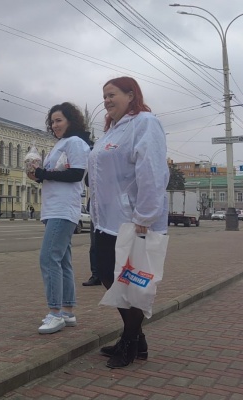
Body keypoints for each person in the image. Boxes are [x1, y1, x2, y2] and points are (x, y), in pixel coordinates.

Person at [87, 77, 169, 368]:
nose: (106, 101)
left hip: (133, 220)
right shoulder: (111, 131)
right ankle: (136, 338)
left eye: (112, 95)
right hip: (106, 220)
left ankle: (130, 342)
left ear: (131, 95)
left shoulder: (145, 123)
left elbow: (152, 171)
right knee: (108, 277)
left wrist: (145, 215)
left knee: (133, 283)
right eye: (104, 96)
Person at [28, 102, 91, 334]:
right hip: (54, 209)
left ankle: (55, 313)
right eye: (52, 121)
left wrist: (44, 173)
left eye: (59, 120)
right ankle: (67, 311)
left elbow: (76, 174)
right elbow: (56, 174)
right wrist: (38, 175)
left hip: (63, 210)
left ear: (70, 121)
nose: (54, 125)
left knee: (48, 259)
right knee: (62, 261)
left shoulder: (75, 142)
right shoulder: (61, 144)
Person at [82, 196, 101, 286]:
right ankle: (96, 276)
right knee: (94, 246)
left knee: (112, 246)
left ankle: (113, 276)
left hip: (112, 214)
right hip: (96, 216)